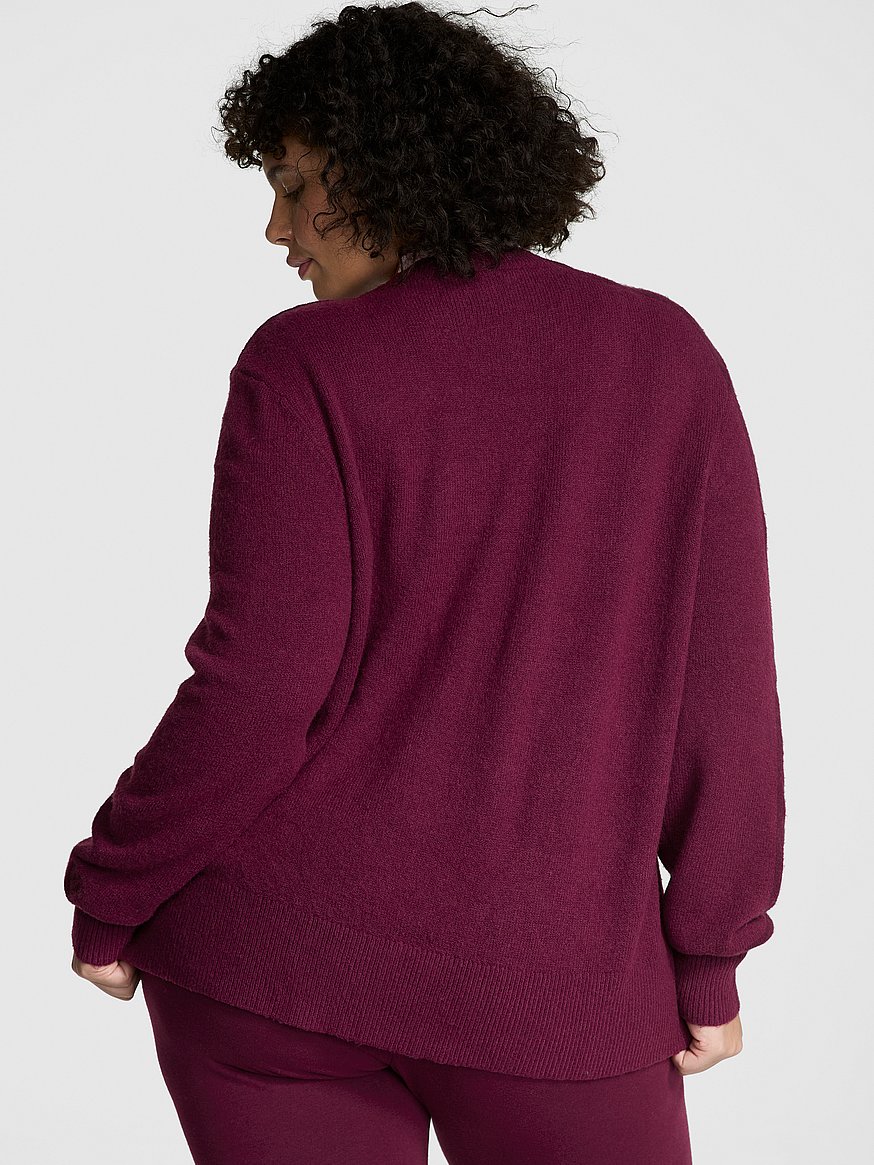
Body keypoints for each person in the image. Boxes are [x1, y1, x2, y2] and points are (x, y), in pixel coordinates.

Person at [64, 4, 786, 1163]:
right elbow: (724, 695)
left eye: (296, 185)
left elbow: (259, 686)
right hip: (552, 986)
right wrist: (710, 948)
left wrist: (112, 888)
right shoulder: (664, 356)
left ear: (388, 168)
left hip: (271, 972)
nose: (274, 228)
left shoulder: (303, 362)